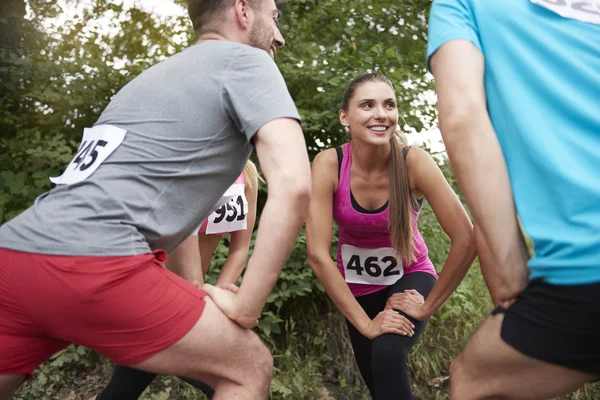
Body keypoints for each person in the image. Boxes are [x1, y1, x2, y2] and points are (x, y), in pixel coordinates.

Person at [0, 0, 312, 398]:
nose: (280, 37)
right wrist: (246, 308)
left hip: (13, 253)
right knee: (248, 367)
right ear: (243, 11)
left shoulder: (152, 78)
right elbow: (294, 185)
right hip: (95, 261)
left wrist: (193, 288)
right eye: (275, 17)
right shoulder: (247, 61)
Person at [427, 1, 600, 399]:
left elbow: (462, 117)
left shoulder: (462, 5)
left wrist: (510, 272)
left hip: (588, 267)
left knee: (472, 380)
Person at [306, 72, 476, 399]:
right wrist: (367, 324)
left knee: (387, 355)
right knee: (379, 383)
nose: (381, 114)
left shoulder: (413, 163)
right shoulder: (329, 164)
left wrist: (427, 306)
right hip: (356, 288)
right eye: (367, 105)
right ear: (345, 116)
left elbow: (466, 239)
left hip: (411, 276)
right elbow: (317, 255)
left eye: (389, 105)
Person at [91, 161, 260, 400]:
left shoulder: (247, 175)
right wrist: (206, 304)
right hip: (155, 294)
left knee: (122, 391)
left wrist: (219, 294)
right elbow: (183, 241)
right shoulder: (189, 163)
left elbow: (239, 249)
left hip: (191, 298)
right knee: (236, 381)